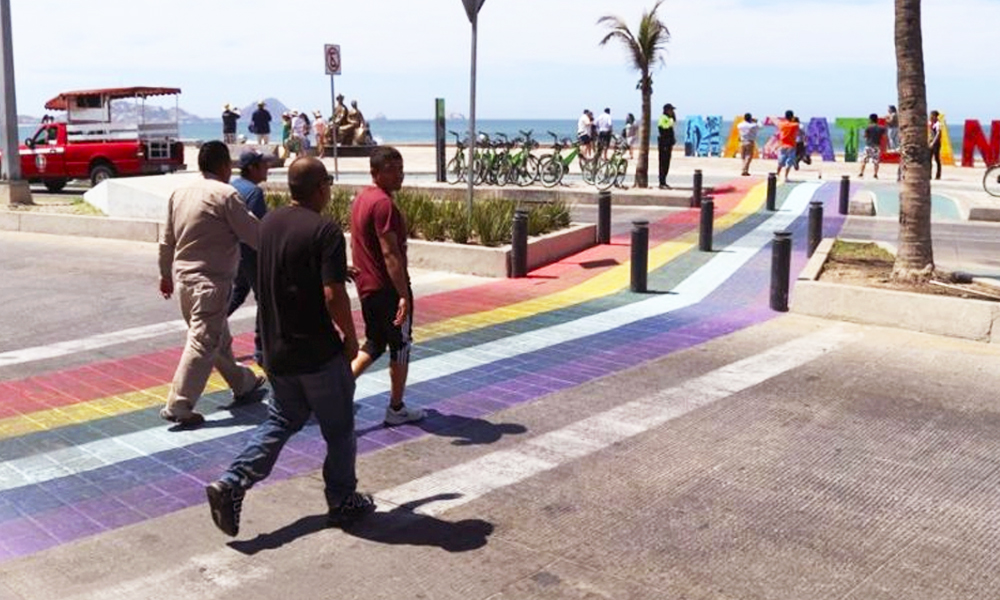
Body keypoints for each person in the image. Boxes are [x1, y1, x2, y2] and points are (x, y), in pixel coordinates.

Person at [206, 157, 374, 537]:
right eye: (328, 183)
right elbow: (332, 295)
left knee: (282, 420)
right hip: (317, 351)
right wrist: (350, 337)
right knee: (340, 429)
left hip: (276, 350)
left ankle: (232, 482)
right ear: (320, 188)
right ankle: (342, 500)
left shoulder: (268, 224)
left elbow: (285, 270)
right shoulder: (325, 231)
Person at [157, 141, 267, 428]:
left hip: (184, 282)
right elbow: (254, 235)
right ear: (223, 165)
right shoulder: (225, 194)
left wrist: (165, 275)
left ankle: (243, 383)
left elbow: (166, 240)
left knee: (218, 342)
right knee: (203, 343)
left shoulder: (179, 193)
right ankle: (179, 405)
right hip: (211, 284)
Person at [350, 146, 425, 426]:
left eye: (400, 169)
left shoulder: (362, 199)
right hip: (387, 289)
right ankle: (396, 407)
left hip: (367, 287)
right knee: (401, 345)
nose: (398, 175)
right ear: (375, 173)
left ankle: (334, 391)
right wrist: (403, 295)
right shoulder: (384, 205)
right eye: (391, 170)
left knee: (375, 343)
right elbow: (390, 253)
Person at [227, 150, 272, 365]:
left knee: (238, 292)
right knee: (265, 298)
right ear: (252, 168)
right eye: (263, 165)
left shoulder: (231, 187)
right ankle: (261, 349)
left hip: (235, 252)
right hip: (252, 254)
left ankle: (210, 325)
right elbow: (256, 228)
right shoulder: (254, 192)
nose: (267, 168)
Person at [774, 110, 799, 182]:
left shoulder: (781, 124)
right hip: (791, 146)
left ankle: (777, 174)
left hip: (782, 145)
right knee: (789, 162)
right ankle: (785, 176)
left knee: (781, 161)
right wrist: (794, 119)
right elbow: (797, 124)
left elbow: (779, 123)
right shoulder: (795, 125)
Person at [858, 113, 886, 179]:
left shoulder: (868, 127)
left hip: (868, 145)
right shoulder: (881, 128)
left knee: (864, 160)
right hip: (876, 146)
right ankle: (875, 174)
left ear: (870, 119)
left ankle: (861, 173)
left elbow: (865, 136)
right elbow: (884, 137)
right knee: (876, 161)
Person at [657, 103, 677, 189]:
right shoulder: (663, 118)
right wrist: (671, 120)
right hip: (664, 143)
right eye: (671, 110)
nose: (672, 112)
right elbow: (665, 127)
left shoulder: (668, 118)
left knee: (667, 163)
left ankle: (664, 181)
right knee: (663, 163)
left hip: (668, 144)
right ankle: (661, 182)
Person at [929, 110, 942, 180]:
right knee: (929, 159)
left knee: (936, 159)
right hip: (930, 142)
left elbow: (938, 134)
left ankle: (938, 175)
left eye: (931, 115)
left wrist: (933, 142)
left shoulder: (938, 124)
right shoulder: (931, 123)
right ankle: (929, 174)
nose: (930, 117)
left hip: (935, 143)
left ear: (934, 116)